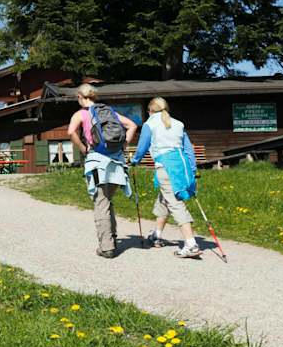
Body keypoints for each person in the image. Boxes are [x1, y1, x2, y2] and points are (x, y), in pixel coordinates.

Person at [67, 83, 139, 258]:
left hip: (97, 162)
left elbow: (71, 131)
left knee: (101, 203)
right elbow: (132, 126)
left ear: (80, 96)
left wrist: (83, 148)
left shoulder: (81, 114)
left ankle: (106, 247)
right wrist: (123, 145)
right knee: (107, 201)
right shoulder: (110, 112)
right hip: (117, 163)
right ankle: (111, 239)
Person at [131, 97, 201, 258]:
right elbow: (188, 150)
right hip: (180, 166)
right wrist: (193, 171)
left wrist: (134, 161)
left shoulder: (150, 124)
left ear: (150, 111)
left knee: (175, 203)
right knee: (164, 200)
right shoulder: (178, 124)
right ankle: (157, 235)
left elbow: (142, 147)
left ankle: (191, 244)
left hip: (165, 167)